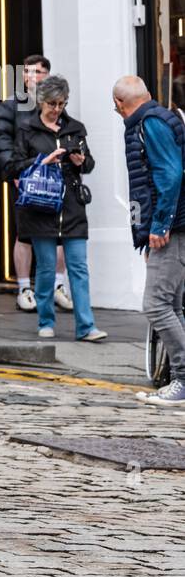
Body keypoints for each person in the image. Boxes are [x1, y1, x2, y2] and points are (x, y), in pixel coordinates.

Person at [5, 76, 104, 342]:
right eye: (52, 103)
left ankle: (86, 326)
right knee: (47, 268)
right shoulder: (27, 129)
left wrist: (80, 161)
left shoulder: (75, 128)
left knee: (79, 268)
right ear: (41, 101)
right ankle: (45, 321)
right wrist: (43, 160)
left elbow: (90, 164)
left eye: (62, 103)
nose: (57, 109)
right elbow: (12, 167)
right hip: (41, 207)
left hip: (72, 206)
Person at [115, 75, 185, 403]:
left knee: (155, 305)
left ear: (119, 104)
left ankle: (183, 380)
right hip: (175, 226)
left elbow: (169, 175)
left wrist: (158, 227)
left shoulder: (150, 124)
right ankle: (178, 379)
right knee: (172, 304)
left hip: (172, 229)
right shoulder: (157, 119)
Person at [0, 55, 72, 313]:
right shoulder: (10, 106)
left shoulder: (57, 106)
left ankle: (57, 287)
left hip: (54, 181)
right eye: (27, 72)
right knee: (24, 234)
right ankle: (24, 288)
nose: (32, 76)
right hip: (25, 179)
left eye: (38, 72)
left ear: (47, 75)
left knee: (60, 234)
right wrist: (15, 173)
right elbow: (2, 142)